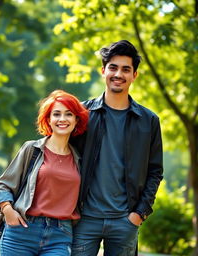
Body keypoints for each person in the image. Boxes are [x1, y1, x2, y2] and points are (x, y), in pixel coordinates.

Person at [71, 40, 163, 256]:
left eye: (126, 69)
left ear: (134, 75)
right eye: (113, 67)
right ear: (103, 71)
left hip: (125, 221)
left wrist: (139, 214)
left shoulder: (148, 121)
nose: (118, 74)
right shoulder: (83, 114)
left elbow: (155, 171)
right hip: (84, 219)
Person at [0, 90, 89, 256]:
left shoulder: (79, 159)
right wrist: (8, 210)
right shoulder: (32, 149)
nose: (62, 119)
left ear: (76, 119)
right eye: (56, 114)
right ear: (48, 119)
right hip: (22, 231)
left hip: (60, 236)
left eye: (69, 114)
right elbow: (3, 184)